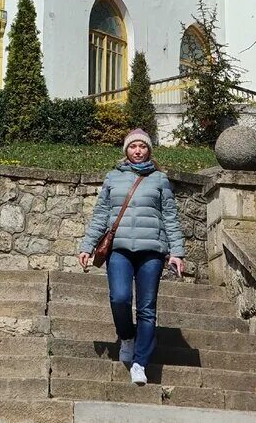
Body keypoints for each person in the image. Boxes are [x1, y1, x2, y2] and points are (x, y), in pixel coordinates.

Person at [77, 128, 186, 386]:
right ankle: (126, 336)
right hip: (120, 249)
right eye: (133, 146)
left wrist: (177, 252)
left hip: (152, 252)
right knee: (120, 298)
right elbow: (101, 215)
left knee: (147, 309)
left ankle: (139, 362)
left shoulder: (160, 179)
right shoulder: (113, 178)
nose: (138, 151)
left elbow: (170, 218)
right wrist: (87, 245)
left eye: (143, 147)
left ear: (149, 150)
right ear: (126, 150)